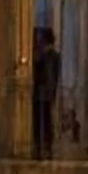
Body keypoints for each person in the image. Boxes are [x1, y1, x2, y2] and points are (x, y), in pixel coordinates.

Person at [29, 22, 60, 157]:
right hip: (47, 93)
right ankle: (46, 146)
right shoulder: (55, 56)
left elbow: (42, 74)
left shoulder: (42, 57)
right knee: (46, 120)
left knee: (41, 120)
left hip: (41, 93)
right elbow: (56, 76)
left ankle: (42, 146)